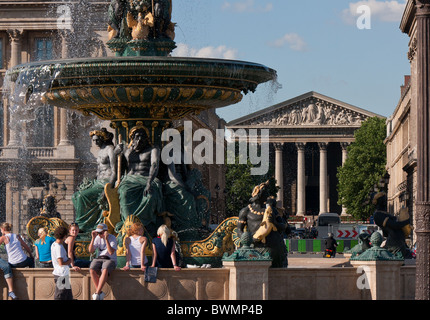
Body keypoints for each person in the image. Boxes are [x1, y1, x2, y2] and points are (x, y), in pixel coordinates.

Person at [116, 125, 163, 235]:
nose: (139, 139)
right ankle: (128, 223)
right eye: (136, 137)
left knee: (151, 196)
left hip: (148, 178)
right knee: (124, 193)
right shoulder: (127, 151)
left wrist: (149, 182)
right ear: (132, 138)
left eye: (142, 136)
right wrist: (116, 152)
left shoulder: (154, 149)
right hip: (130, 180)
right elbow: (119, 168)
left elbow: (154, 165)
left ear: (147, 138)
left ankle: (146, 225)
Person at [72, 128, 117, 233]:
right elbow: (99, 171)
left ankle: (82, 225)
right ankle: (89, 223)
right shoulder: (100, 150)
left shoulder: (110, 149)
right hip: (98, 182)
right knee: (75, 196)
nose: (95, 142)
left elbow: (114, 171)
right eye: (94, 140)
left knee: (81, 196)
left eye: (97, 140)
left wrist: (109, 188)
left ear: (102, 138)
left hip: (105, 182)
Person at [88, 223, 118, 300]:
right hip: (99, 258)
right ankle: (99, 293)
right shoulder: (97, 238)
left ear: (105, 232)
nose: (99, 235)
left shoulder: (112, 238)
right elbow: (90, 250)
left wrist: (106, 239)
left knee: (105, 269)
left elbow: (111, 252)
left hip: (110, 259)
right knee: (92, 269)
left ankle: (97, 293)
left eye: (101, 233)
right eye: (98, 233)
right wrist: (93, 238)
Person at [51, 226, 77, 300]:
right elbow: (61, 263)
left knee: (68, 296)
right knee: (60, 296)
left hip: (63, 274)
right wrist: (70, 260)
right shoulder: (59, 247)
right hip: (61, 275)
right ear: (64, 236)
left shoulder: (54, 244)